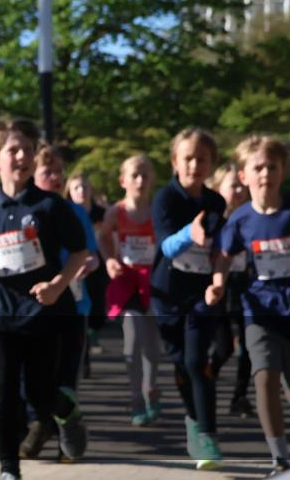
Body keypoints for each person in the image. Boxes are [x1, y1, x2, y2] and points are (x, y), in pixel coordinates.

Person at [0, 115, 89, 480]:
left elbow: (80, 253)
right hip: (2, 314)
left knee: (40, 393)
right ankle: (8, 469)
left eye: (28, 151)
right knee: (3, 396)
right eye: (12, 150)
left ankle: (66, 413)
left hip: (43, 314)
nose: (21, 156)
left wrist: (57, 284)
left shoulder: (51, 207)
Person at [215, 135, 290, 477]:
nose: (265, 173)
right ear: (244, 175)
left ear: (282, 172)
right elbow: (224, 257)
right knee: (264, 377)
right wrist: (218, 283)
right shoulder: (240, 219)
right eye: (258, 167)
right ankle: (280, 459)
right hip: (261, 311)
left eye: (272, 166)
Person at [150, 128, 226, 470]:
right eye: (188, 158)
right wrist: (189, 234)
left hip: (202, 294)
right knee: (181, 363)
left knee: (198, 362)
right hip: (167, 294)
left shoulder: (216, 202)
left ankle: (207, 435)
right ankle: (193, 421)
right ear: (175, 162)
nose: (195, 164)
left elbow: (222, 249)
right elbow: (165, 245)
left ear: (211, 164)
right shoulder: (164, 198)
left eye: (202, 159)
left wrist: (219, 279)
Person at [19, 144, 98, 462]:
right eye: (47, 171)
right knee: (32, 378)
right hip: (32, 307)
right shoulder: (24, 211)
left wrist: (88, 265)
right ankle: (41, 426)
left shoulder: (75, 211)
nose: (54, 176)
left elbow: (90, 253)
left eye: (58, 171)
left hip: (73, 306)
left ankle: (62, 439)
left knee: (65, 379)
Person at [98, 155, 163, 426]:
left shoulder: (157, 210)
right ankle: (135, 398)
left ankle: (152, 389)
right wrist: (110, 259)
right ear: (123, 180)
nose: (140, 180)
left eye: (145, 176)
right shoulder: (116, 212)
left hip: (154, 281)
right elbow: (102, 237)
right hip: (127, 282)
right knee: (132, 339)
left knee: (151, 343)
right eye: (135, 175)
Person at [208, 163, 256, 419]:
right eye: (232, 186)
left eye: (240, 185)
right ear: (218, 189)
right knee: (223, 346)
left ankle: (240, 396)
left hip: (246, 286)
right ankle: (207, 379)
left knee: (248, 346)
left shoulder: (252, 217)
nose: (238, 190)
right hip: (219, 287)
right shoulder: (214, 221)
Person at [65, 174, 108, 356]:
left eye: (84, 187)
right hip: (74, 268)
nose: (81, 191)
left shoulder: (101, 214)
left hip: (97, 265)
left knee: (96, 308)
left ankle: (91, 337)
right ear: (69, 192)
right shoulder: (65, 213)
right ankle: (83, 350)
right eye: (76, 188)